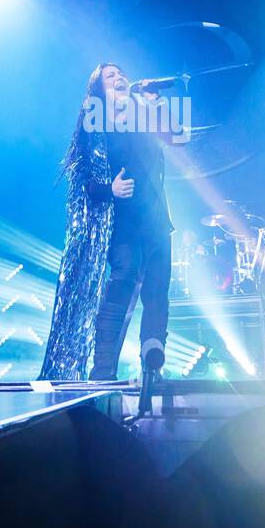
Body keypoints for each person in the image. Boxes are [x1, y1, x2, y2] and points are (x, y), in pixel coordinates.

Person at [39, 63, 176, 381]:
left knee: (157, 289)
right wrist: (110, 189)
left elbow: (173, 137)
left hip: (155, 217)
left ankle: (152, 363)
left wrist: (156, 104)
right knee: (125, 276)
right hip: (121, 221)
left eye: (121, 74)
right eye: (110, 76)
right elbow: (83, 178)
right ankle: (102, 370)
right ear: (98, 88)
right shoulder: (94, 124)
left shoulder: (143, 115)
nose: (119, 78)